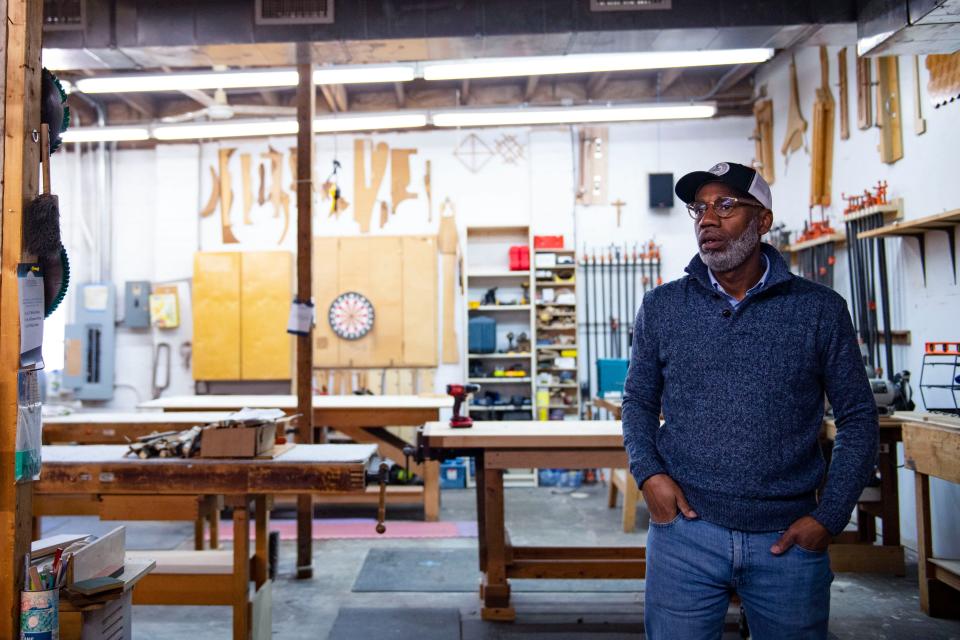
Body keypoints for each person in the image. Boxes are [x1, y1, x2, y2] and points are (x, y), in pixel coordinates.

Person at [621, 161, 879, 639]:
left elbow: (860, 419)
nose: (707, 220)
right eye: (698, 208)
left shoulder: (819, 310)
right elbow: (637, 401)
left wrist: (829, 518)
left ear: (762, 221)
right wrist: (649, 475)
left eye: (725, 206)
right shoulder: (662, 306)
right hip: (685, 536)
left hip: (788, 543)